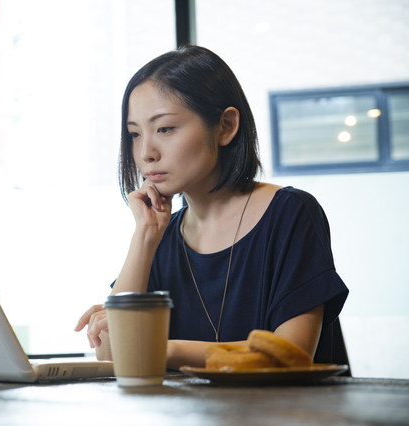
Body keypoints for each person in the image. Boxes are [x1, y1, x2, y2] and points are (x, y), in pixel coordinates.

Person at [74, 45, 349, 370]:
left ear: (225, 126)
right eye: (134, 134)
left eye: (165, 128)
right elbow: (111, 352)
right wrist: (144, 238)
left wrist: (169, 350)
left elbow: (291, 352)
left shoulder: (289, 212)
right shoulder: (159, 236)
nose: (146, 152)